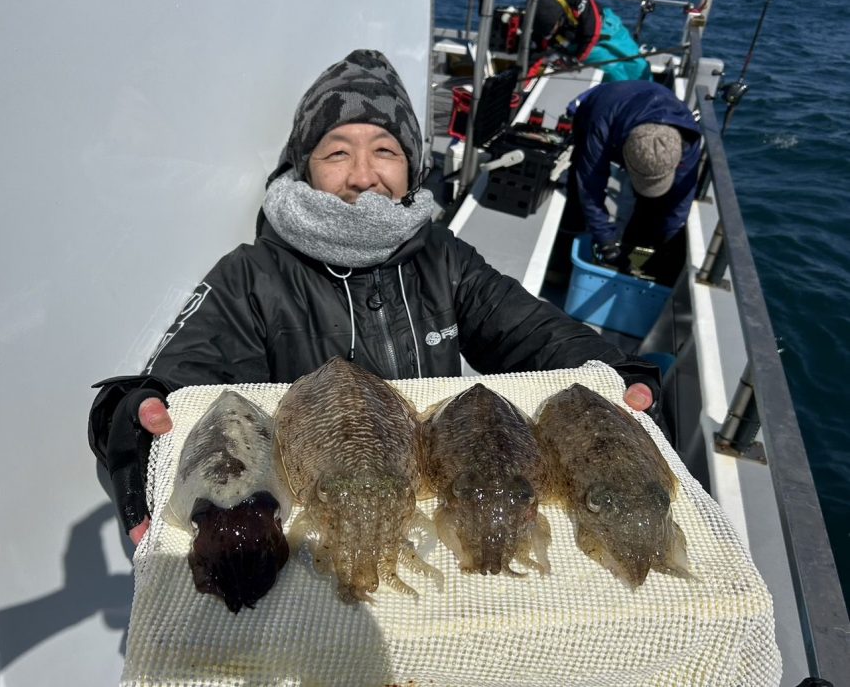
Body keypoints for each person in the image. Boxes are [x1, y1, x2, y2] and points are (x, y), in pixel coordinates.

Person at [87, 49, 663, 545]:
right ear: (304, 167)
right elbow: (181, 378)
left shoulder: (443, 257)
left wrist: (616, 369)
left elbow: (533, 331)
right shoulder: (250, 275)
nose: (363, 175)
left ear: (412, 166)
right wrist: (129, 413)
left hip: (427, 498)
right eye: (337, 153)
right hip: (316, 515)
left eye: (385, 151)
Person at [564, 80, 702, 284]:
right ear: (624, 159)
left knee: (653, 207)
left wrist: (669, 241)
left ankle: (633, 255)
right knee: (578, 187)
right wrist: (606, 243)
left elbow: (680, 202)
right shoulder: (599, 124)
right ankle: (564, 255)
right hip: (600, 107)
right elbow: (590, 186)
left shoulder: (688, 140)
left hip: (638, 112)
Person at [531, 0, 651, 83]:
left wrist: (576, 59)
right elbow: (541, 47)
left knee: (638, 64)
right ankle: (625, 97)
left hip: (607, 30)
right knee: (612, 69)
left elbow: (590, 31)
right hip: (581, 45)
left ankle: (650, 93)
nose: (553, 31)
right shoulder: (542, 25)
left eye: (553, 27)